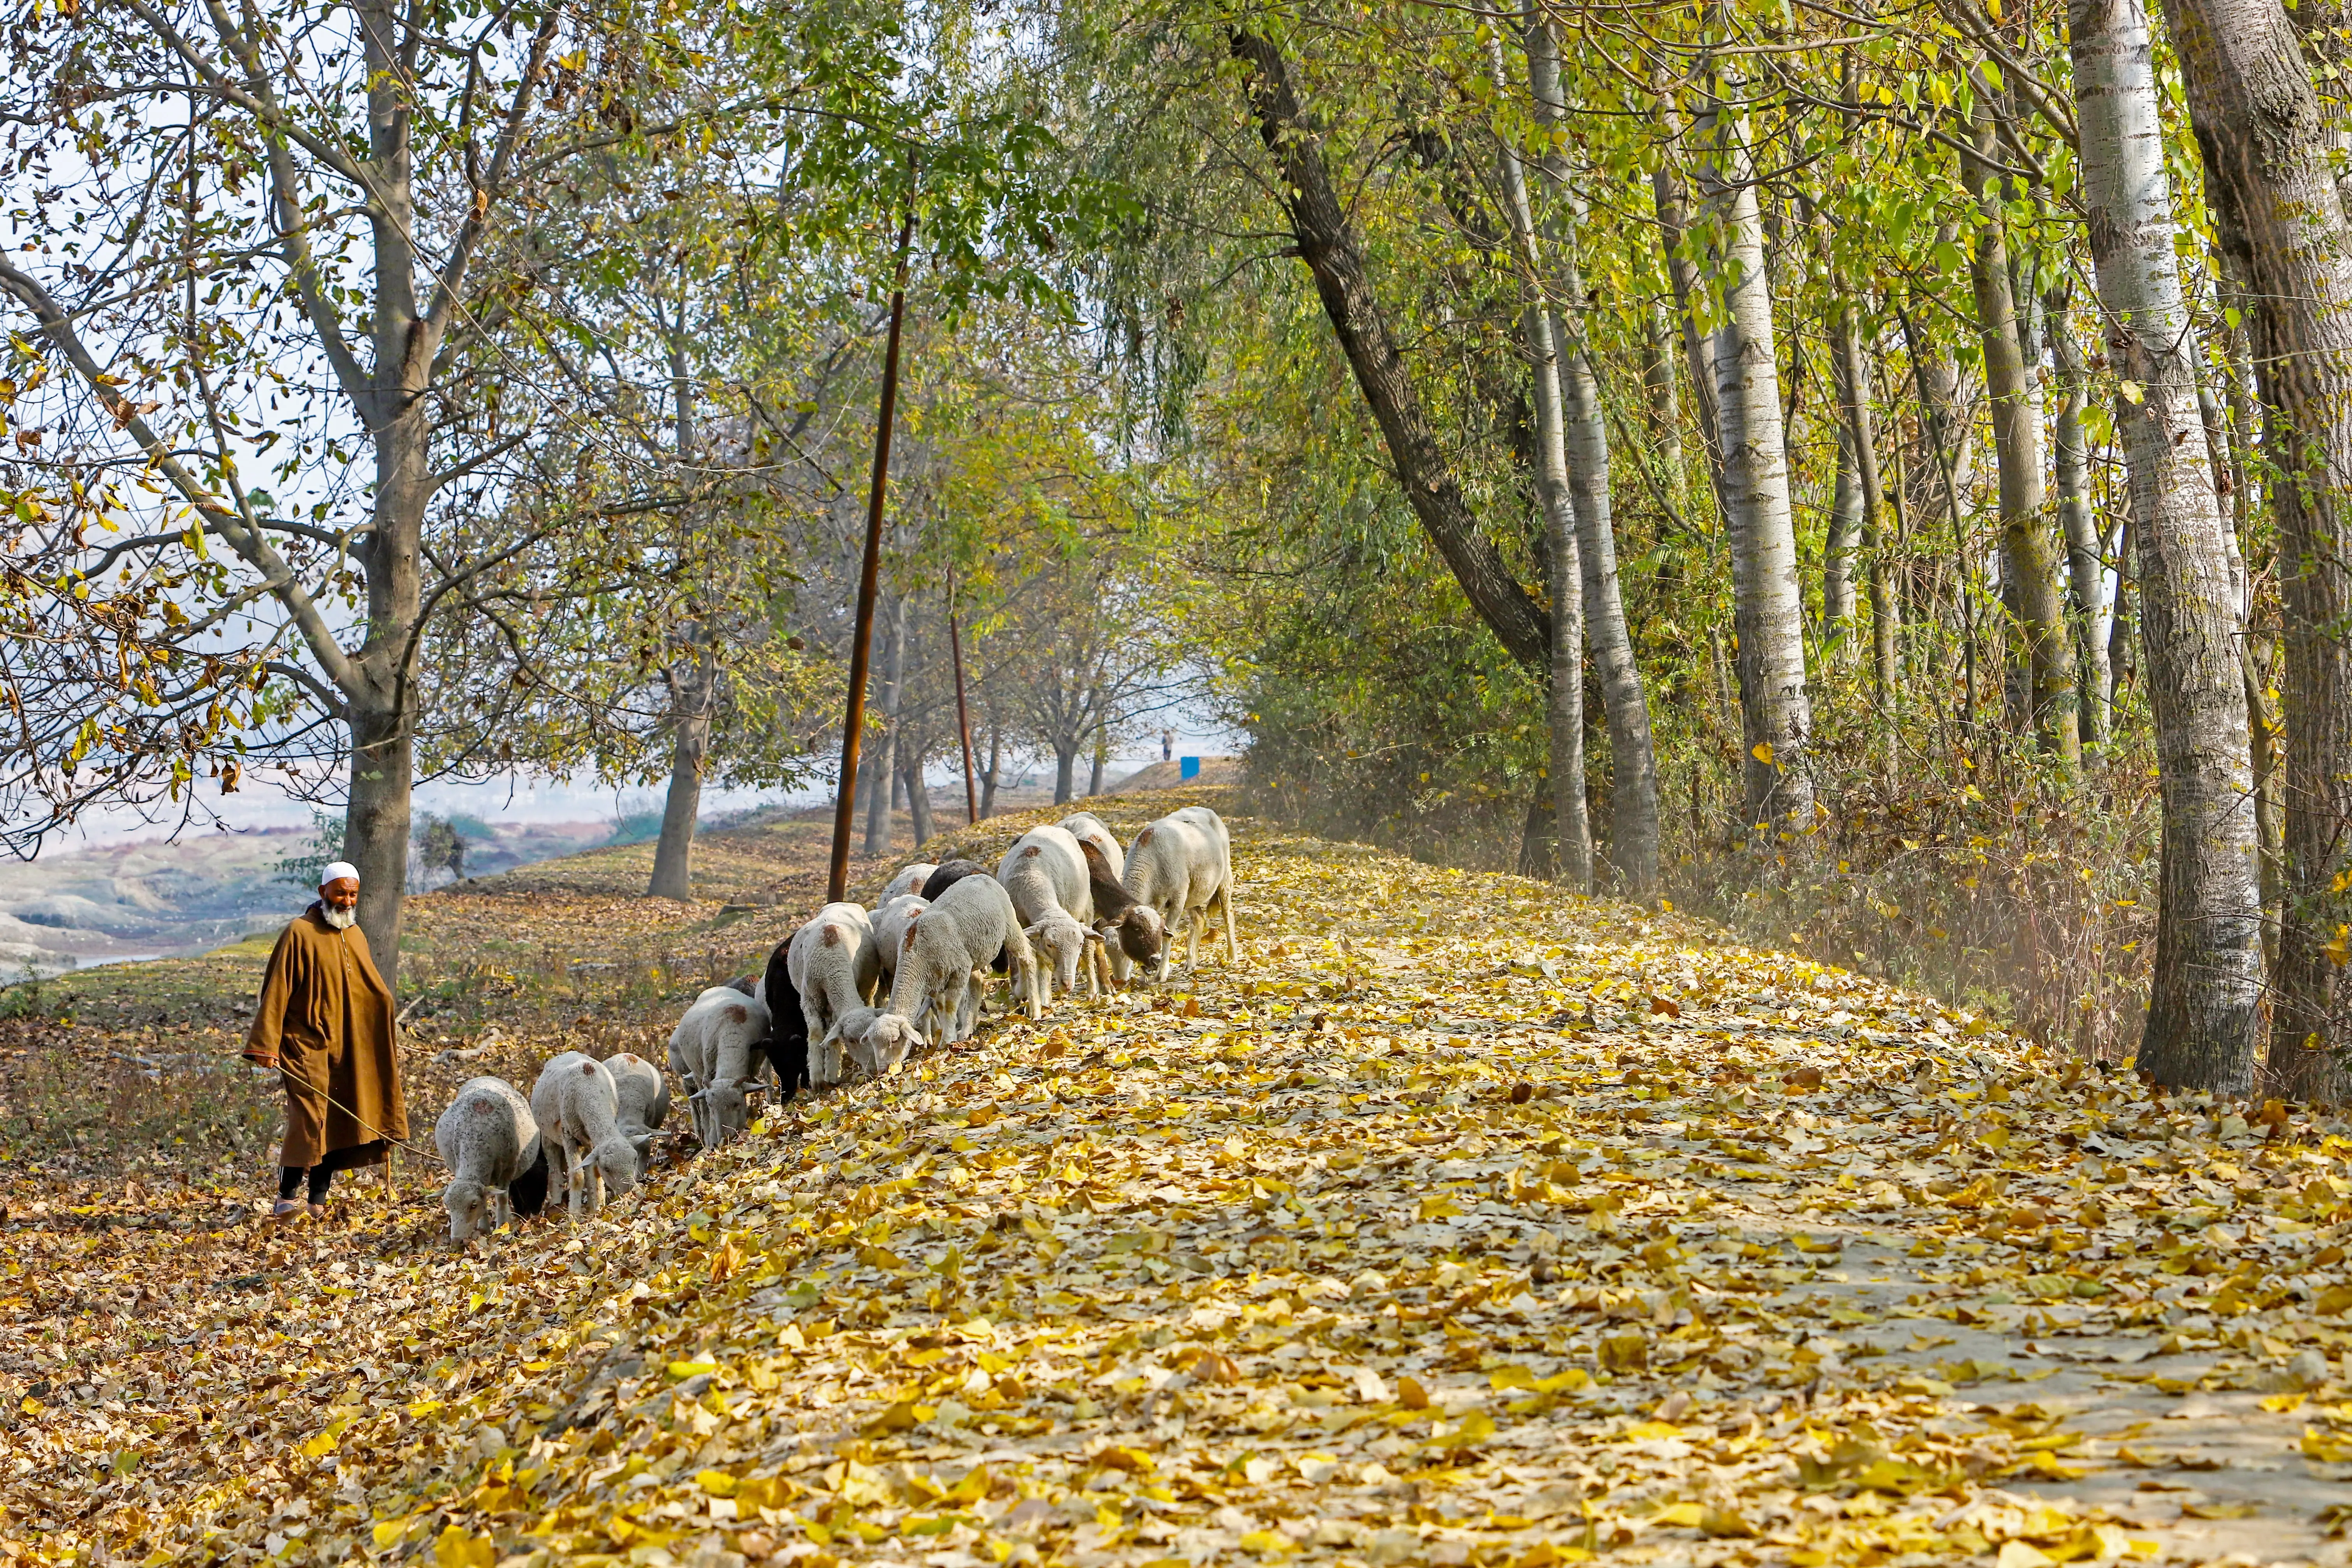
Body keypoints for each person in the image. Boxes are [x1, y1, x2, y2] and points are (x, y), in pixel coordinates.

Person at [241, 861, 409, 1220]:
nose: (346, 901)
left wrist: (381, 1019)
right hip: (305, 1044)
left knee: (335, 1119)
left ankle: (317, 1199)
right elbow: (277, 990)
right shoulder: (298, 933)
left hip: (348, 1047)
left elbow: (370, 991)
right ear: (323, 893)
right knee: (309, 1119)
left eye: (352, 894)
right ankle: (287, 1197)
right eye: (340, 893)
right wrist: (267, 1044)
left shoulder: (356, 934)